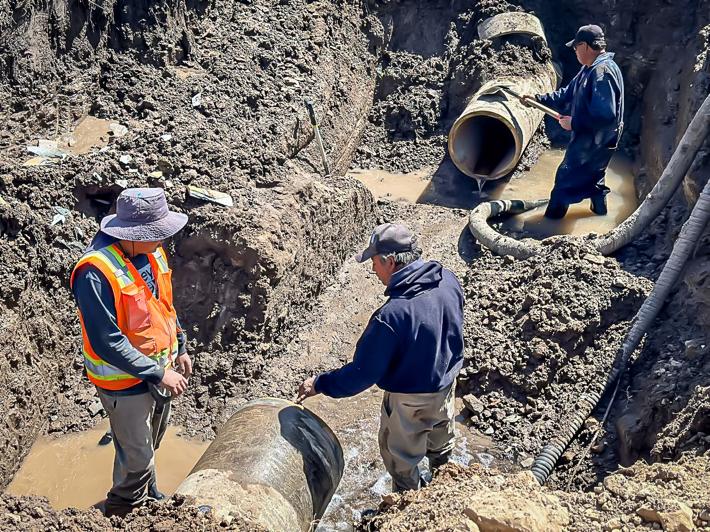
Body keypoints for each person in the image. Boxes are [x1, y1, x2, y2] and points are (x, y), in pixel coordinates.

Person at [297, 223, 464, 492]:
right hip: (445, 386)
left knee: (401, 460)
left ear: (389, 262)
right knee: (441, 441)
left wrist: (320, 383)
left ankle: (411, 505)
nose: (373, 269)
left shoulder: (392, 316)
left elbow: (362, 374)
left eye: (374, 261)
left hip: (410, 401)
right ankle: (446, 484)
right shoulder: (448, 280)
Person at [70, 188, 192, 517]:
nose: (162, 240)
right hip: (123, 384)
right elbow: (106, 341)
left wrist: (179, 344)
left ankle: (148, 498)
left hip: (159, 370)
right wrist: (159, 372)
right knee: (137, 457)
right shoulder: (95, 273)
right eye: (157, 234)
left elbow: (162, 306)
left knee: (151, 441)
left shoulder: (152, 252)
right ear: (133, 234)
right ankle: (122, 513)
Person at [528, 24, 624, 219]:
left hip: (595, 142)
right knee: (594, 179)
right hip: (595, 140)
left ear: (586, 46)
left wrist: (574, 123)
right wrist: (538, 99)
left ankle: (547, 228)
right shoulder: (588, 69)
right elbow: (566, 94)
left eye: (576, 47)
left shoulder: (602, 73)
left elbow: (606, 115)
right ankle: (600, 217)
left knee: (564, 182)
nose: (574, 52)